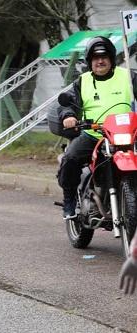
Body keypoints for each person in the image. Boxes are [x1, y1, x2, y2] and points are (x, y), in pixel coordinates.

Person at [57, 36, 137, 218]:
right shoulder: (82, 81)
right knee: (70, 158)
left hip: (127, 133)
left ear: (111, 58)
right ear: (89, 61)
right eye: (95, 57)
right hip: (94, 133)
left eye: (104, 57)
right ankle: (69, 199)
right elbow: (67, 103)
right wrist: (68, 115)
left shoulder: (128, 76)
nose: (100, 61)